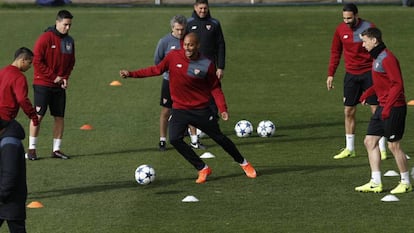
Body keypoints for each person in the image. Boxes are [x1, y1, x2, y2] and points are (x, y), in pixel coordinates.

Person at [120, 33, 256, 183]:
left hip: (201, 110)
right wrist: (131, 74)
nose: (187, 48)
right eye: (185, 45)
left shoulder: (207, 64)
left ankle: (244, 163)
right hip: (179, 109)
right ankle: (202, 168)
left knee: (220, 138)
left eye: (191, 45)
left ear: (197, 46)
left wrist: (222, 108)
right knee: (175, 139)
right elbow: (156, 70)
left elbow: (215, 88)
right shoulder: (173, 56)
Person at [326, 3, 388, 160]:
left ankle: (382, 148)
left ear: (356, 15)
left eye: (349, 18)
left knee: (376, 110)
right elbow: (335, 52)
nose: (346, 21)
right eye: (344, 18)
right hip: (351, 76)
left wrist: (380, 72)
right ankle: (350, 148)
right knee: (348, 111)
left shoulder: (369, 27)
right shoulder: (340, 30)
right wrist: (331, 74)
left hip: (369, 74)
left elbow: (379, 50)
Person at [355, 27, 411, 194]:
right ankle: (375, 181)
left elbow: (397, 85)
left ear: (374, 40)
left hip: (394, 108)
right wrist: (368, 93)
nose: (363, 45)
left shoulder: (387, 58)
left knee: (393, 146)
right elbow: (382, 83)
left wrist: (387, 108)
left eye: (365, 42)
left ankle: (406, 181)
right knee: (369, 142)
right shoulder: (377, 58)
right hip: (383, 106)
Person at [26, 9, 75, 160]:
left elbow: (71, 62)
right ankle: (32, 149)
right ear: (57, 22)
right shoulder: (45, 38)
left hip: (58, 85)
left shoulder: (69, 41)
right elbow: (36, 61)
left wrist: (65, 77)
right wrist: (53, 77)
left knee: (59, 117)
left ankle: (56, 150)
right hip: (43, 84)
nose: (67, 28)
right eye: (65, 25)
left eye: (70, 25)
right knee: (38, 116)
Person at [0, 47, 40, 233]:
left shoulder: (3, 72)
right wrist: (33, 116)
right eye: (30, 63)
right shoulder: (18, 77)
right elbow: (22, 99)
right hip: (5, 123)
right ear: (23, 60)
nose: (30, 66)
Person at [155, 15, 205, 151]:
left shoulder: (189, 40)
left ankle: (194, 140)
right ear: (172, 28)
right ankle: (162, 140)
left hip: (187, 82)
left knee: (189, 109)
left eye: (182, 29)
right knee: (166, 110)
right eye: (177, 29)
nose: (180, 32)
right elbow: (158, 61)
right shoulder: (164, 42)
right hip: (169, 82)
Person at [186, 0, 226, 149]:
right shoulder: (189, 23)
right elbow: (182, 46)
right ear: (195, 8)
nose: (203, 10)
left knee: (213, 97)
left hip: (210, 68)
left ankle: (212, 127)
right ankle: (191, 129)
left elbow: (221, 45)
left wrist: (220, 67)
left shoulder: (214, 23)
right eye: (200, 8)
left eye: (205, 8)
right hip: (192, 68)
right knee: (191, 98)